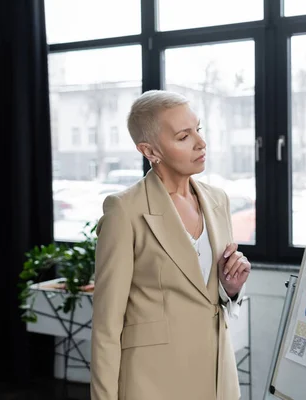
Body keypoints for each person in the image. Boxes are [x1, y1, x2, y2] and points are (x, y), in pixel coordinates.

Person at [90, 90, 251, 400]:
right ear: (150, 151)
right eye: (183, 136)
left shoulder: (218, 200)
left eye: (198, 130)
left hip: (217, 376)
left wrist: (230, 288)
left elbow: (207, 295)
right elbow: (106, 326)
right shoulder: (124, 210)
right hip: (153, 381)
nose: (201, 143)